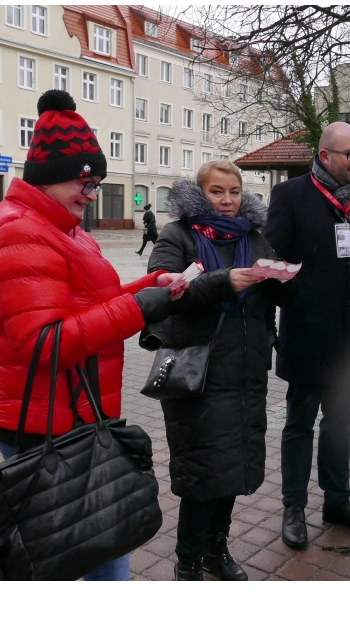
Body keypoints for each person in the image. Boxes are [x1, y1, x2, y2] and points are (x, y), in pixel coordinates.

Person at [0, 90, 183, 581]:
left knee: (98, 543)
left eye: (97, 182)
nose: (91, 193)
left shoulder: (62, 227)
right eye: (83, 181)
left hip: (69, 412)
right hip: (42, 419)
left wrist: (151, 286)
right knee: (82, 551)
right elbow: (45, 343)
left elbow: (88, 302)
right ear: (47, 177)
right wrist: (136, 309)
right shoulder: (21, 232)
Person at [146, 159, 294, 581]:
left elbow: (281, 298)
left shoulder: (254, 237)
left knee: (233, 470)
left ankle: (216, 550)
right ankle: (188, 561)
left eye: (234, 192)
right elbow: (162, 288)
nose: (227, 201)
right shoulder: (178, 235)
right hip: (198, 377)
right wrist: (222, 282)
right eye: (217, 191)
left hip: (246, 373)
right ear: (200, 193)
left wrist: (287, 280)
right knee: (203, 475)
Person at [263, 122, 350, 549]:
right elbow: (270, 260)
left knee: (340, 423)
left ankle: (337, 502)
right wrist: (285, 303)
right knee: (299, 424)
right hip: (307, 332)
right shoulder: (291, 196)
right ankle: (294, 507)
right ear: (325, 156)